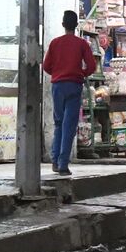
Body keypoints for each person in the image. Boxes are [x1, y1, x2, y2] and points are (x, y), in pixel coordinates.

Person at [42, 10, 97, 175]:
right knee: (69, 126)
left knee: (59, 124)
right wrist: (81, 74)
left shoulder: (55, 43)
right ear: (76, 25)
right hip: (74, 85)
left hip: (58, 86)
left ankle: (55, 160)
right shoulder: (82, 44)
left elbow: (46, 67)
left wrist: (58, 73)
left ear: (63, 24)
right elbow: (92, 66)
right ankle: (63, 164)